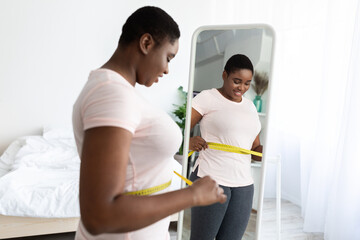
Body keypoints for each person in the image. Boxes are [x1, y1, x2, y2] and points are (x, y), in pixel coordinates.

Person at [72, 6, 226, 240]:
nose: (166, 69)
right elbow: (99, 216)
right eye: (168, 57)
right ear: (146, 43)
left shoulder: (117, 90)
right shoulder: (112, 93)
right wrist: (192, 196)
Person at [188, 54, 263, 240]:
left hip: (244, 185)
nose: (242, 88)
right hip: (211, 178)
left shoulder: (250, 107)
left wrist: (262, 151)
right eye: (237, 81)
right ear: (224, 75)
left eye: (247, 83)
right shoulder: (208, 98)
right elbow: (179, 131)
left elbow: (255, 146)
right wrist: (188, 141)